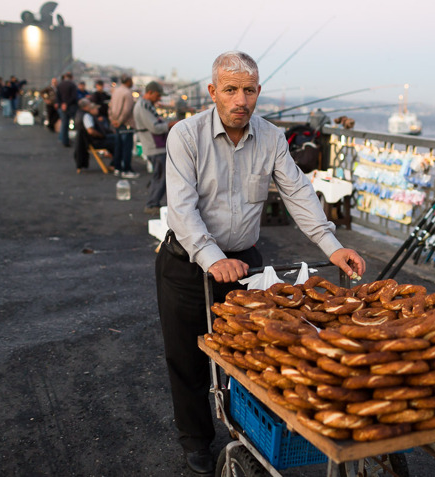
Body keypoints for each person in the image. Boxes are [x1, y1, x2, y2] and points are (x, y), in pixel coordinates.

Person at [156, 51, 365, 475]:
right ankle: (195, 439)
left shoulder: (271, 138)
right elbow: (181, 207)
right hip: (187, 261)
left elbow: (298, 194)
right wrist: (212, 258)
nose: (240, 100)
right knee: (188, 358)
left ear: (258, 92)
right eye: (230, 89)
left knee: (249, 354)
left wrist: (331, 245)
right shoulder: (186, 135)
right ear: (213, 92)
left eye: (249, 90)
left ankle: (245, 429)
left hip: (244, 263)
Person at [133, 81, 177, 215]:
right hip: (154, 147)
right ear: (150, 93)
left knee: (159, 175)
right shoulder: (142, 107)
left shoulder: (146, 105)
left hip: (156, 146)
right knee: (162, 176)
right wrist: (171, 125)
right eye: (157, 95)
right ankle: (152, 204)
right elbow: (155, 127)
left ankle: (153, 200)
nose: (159, 98)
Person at [74, 98, 116, 173]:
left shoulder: (79, 114)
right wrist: (101, 135)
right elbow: (91, 131)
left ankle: (115, 163)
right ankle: (115, 164)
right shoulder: (86, 115)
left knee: (114, 139)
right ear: (86, 106)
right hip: (94, 141)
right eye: (89, 104)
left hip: (88, 141)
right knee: (117, 142)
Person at [108, 74, 138, 178]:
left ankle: (117, 168)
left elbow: (110, 107)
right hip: (126, 124)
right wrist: (120, 121)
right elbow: (127, 110)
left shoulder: (116, 91)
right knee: (126, 147)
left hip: (116, 123)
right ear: (128, 81)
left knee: (118, 146)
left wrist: (113, 120)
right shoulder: (127, 92)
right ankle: (126, 169)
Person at [56, 72, 78, 147]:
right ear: (71, 77)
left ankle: (64, 140)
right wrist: (67, 103)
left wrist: (62, 104)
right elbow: (74, 97)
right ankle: (74, 140)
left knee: (64, 124)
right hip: (71, 107)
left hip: (63, 107)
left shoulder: (60, 85)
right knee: (75, 123)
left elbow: (58, 97)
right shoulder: (72, 85)